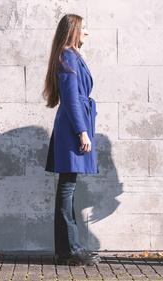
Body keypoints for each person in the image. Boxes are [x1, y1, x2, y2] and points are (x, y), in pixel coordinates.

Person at [43, 14, 100, 266]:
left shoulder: (71, 56)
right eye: (84, 28)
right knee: (67, 188)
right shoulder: (67, 56)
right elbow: (70, 98)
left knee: (69, 187)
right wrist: (82, 131)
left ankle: (67, 250)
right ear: (74, 30)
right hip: (71, 129)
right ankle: (71, 249)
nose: (86, 33)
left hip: (73, 126)